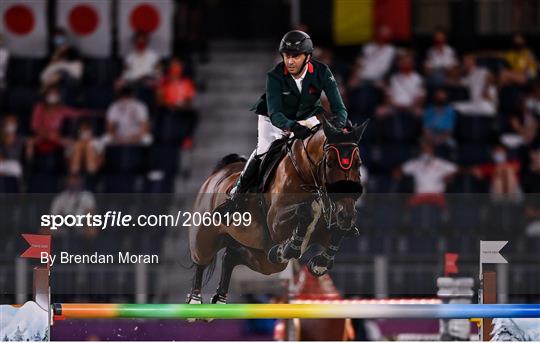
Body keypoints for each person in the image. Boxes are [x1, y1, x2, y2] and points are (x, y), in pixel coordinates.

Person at [216, 30, 348, 213]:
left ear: (308, 56)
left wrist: (340, 124)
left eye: (295, 56)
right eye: (286, 55)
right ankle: (237, 195)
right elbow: (276, 114)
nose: (290, 61)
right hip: (272, 119)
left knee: (323, 150)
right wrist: (293, 127)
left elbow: (339, 108)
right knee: (264, 150)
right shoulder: (275, 76)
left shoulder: (322, 72)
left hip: (305, 117)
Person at [27, 86, 89, 159]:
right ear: (46, 96)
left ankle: (68, 166)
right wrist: (46, 133)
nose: (52, 97)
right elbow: (34, 126)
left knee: (70, 143)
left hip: (57, 137)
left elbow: (76, 113)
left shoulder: (62, 109)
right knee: (30, 142)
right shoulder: (39, 107)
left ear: (58, 97)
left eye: (55, 94)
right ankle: (29, 166)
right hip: (41, 135)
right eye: (50, 94)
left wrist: (95, 112)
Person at [0, 115, 24, 179]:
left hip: (13, 164)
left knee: (17, 168)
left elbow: (16, 156)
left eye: (12, 123)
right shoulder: (2, 136)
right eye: (8, 123)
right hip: (3, 163)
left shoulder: (20, 138)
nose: (10, 126)